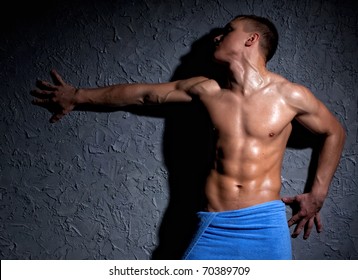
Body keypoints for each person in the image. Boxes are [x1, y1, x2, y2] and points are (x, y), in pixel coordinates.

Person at [30, 15, 346, 260]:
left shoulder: (290, 95)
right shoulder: (205, 89)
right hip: (214, 223)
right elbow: (143, 95)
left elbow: (334, 132)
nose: (219, 36)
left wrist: (316, 195)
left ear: (251, 39)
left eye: (229, 29)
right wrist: (77, 95)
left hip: (264, 222)